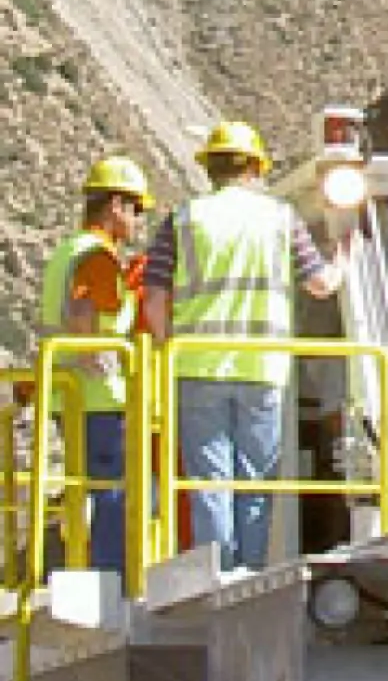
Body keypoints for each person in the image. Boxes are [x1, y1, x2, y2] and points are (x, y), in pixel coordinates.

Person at [140, 119, 350, 572]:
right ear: (255, 167)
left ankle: (215, 572)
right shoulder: (279, 218)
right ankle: (249, 573)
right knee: (255, 481)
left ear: (210, 169)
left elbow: (153, 301)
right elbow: (320, 284)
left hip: (197, 368)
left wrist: (167, 346)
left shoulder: (183, 220)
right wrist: (342, 257)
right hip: (262, 370)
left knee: (209, 481)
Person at [38, 154, 154, 580]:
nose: (139, 221)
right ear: (115, 207)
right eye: (136, 209)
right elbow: (84, 311)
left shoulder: (68, 251)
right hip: (96, 399)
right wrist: (96, 356)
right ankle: (110, 581)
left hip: (69, 394)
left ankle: (91, 574)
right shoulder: (97, 257)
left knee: (90, 492)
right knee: (112, 494)